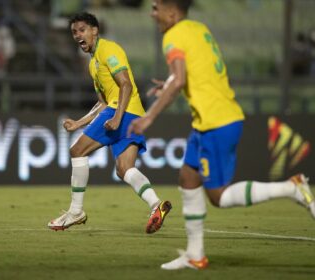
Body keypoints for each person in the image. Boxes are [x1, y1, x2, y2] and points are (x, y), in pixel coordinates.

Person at [128, 0, 315, 270]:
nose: (152, 13)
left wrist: (149, 116)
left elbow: (179, 79)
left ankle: (291, 188)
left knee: (219, 197)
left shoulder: (173, 36)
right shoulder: (197, 28)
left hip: (217, 122)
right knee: (188, 178)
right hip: (209, 120)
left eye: (156, 8)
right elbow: (193, 71)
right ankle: (195, 255)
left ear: (172, 11)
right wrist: (167, 84)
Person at [48, 12, 172, 234]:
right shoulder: (93, 64)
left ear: (95, 30)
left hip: (123, 111)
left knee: (77, 151)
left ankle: (76, 211)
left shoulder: (109, 49)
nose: (78, 35)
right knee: (124, 169)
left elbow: (126, 85)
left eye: (82, 30)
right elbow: (102, 103)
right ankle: (156, 205)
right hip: (131, 113)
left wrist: (117, 117)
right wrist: (79, 123)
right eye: (74, 32)